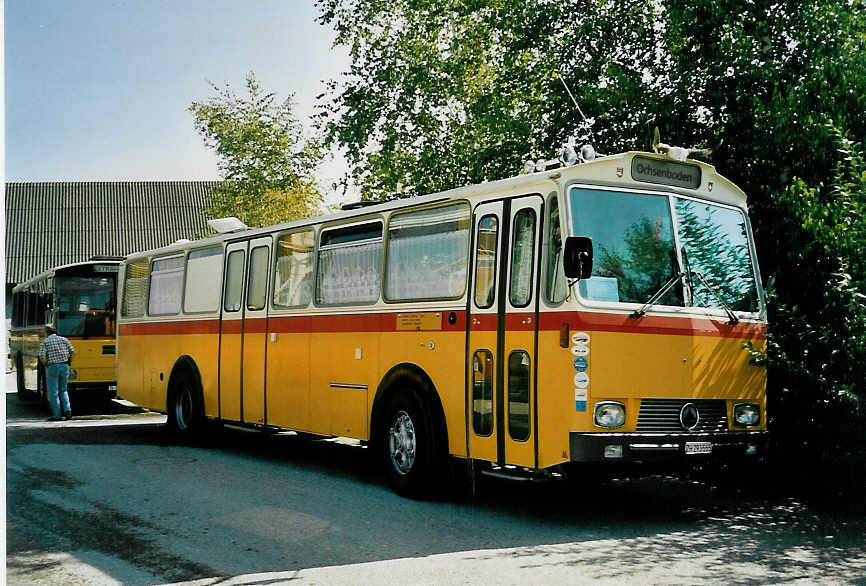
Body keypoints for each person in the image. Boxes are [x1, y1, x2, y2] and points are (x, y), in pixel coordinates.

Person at [39, 326, 75, 421]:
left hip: (52, 366)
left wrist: (46, 364)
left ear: (47, 332)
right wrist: (69, 361)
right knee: (63, 390)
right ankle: (68, 410)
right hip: (65, 366)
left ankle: (57, 415)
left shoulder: (45, 342)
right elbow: (72, 352)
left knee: (53, 392)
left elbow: (42, 357)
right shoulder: (64, 339)